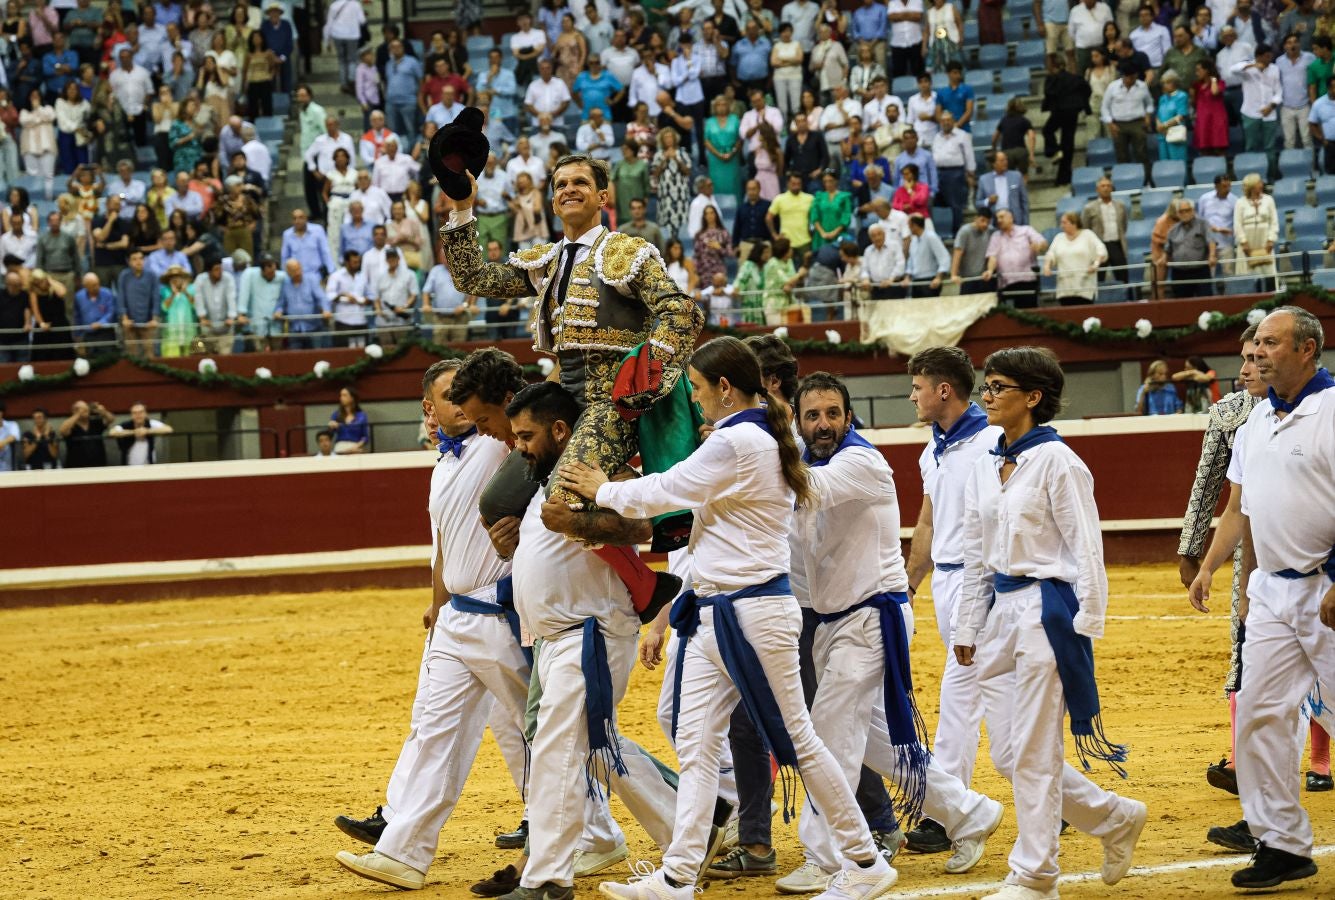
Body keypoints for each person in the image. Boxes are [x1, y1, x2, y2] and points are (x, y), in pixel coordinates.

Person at [569, 337, 901, 900]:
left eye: (698, 389)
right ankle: (677, 875)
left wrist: (602, 488)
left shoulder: (741, 440)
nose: (695, 400)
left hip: (752, 613)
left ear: (725, 388)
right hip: (718, 612)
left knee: (800, 738)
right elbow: (687, 506)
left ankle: (866, 861)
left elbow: (667, 489)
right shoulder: (749, 437)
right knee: (698, 745)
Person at [439, 149, 701, 619]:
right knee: (496, 502)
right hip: (562, 399)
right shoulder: (548, 262)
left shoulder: (628, 254)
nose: (568, 190)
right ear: (553, 201)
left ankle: (650, 534)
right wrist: (463, 206)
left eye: (580, 182)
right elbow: (471, 276)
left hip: (609, 402)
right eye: (560, 185)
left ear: (603, 195)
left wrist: (648, 376)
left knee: (561, 503)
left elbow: (681, 311)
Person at [333, 360, 535, 894]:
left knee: (544, 731)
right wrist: (438, 607)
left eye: (468, 397)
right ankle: (403, 850)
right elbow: (444, 547)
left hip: (499, 613)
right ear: (430, 407)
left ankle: (632, 821)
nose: (463, 406)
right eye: (451, 397)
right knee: (436, 730)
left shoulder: (497, 442)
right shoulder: (445, 462)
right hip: (458, 617)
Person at [954, 347, 1146, 900]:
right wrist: (969, 625)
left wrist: (1089, 622)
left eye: (997, 387)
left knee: (1035, 751)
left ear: (1032, 397)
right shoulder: (986, 462)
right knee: (1010, 754)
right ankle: (1113, 817)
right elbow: (975, 551)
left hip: (1046, 610)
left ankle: (1036, 877)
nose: (986, 397)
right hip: (1000, 615)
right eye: (985, 387)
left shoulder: (1060, 462)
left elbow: (1088, 548)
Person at [1188, 307, 1335, 892]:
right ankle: (1282, 843)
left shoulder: (1333, 412)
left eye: (1272, 343)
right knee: (1259, 716)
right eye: (1257, 345)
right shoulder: (1252, 424)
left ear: (1306, 349)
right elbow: (1238, 509)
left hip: (1325, 584)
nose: (1260, 353)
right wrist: (1210, 568)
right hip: (1271, 588)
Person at [900, 347, 1004, 852]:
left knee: (960, 695)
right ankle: (1060, 798)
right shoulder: (932, 450)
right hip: (947, 579)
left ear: (944, 390)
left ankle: (944, 811)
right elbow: (927, 521)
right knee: (1004, 694)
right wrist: (911, 582)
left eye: (919, 387)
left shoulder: (993, 441)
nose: (912, 396)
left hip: (981, 581)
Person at [1233, 44, 1282, 181]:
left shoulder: (1274, 69)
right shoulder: (1247, 68)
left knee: (1270, 148)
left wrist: (1271, 106)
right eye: (1267, 56)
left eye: (1270, 56)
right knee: (1251, 147)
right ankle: (1252, 179)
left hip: (1269, 113)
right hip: (1250, 113)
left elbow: (1278, 91)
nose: (1269, 59)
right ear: (1259, 57)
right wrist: (1253, 66)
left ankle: (1271, 178)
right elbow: (1233, 70)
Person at [983, 209, 1047, 309]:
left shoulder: (1026, 230)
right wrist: (990, 270)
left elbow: (1042, 242)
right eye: (997, 218)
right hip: (1006, 283)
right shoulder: (995, 236)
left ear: (1011, 218)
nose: (999, 220)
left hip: (1026, 281)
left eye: (1002, 217)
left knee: (1029, 314)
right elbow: (992, 257)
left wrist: (1038, 246)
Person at [1043, 212, 1108, 305]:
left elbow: (1101, 250)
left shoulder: (1088, 235)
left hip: (1085, 286)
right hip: (1065, 288)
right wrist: (1047, 266)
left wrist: (1095, 264)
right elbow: (1051, 254)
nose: (1061, 225)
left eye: (1064, 222)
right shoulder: (1059, 238)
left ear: (1074, 223)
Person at [1102, 61, 1155, 167]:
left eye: (1133, 77)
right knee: (1121, 154)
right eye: (1129, 78)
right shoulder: (1113, 87)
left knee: (1141, 153)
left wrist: (1148, 116)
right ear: (1123, 76)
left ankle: (1146, 179)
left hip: (1137, 122)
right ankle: (1124, 180)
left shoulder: (1142, 86)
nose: (1131, 80)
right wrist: (1110, 123)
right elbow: (1105, 107)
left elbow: (1150, 104)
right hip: (1118, 124)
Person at [1233, 172, 1278, 292]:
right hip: (1247, 242)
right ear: (1252, 186)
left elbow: (1274, 222)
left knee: (1268, 273)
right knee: (1248, 273)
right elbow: (1237, 224)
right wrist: (1243, 242)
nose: (1262, 184)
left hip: (1264, 240)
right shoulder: (1240, 202)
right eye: (1259, 182)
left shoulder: (1269, 200)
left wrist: (1271, 239)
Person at [1164, 200, 1217, 299]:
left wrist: (1212, 256)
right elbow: (1167, 250)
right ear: (1177, 214)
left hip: (1200, 271)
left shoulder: (1203, 224)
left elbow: (1211, 241)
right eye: (1181, 211)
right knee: (1181, 304)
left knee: (1205, 301)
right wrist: (1163, 260)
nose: (1184, 214)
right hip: (1179, 273)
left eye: (1187, 210)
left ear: (1193, 210)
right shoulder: (1173, 230)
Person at [275, 259, 331, 350]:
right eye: (294, 271)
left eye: (298, 269)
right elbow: (281, 302)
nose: (297, 273)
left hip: (313, 327)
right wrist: (278, 311)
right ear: (288, 272)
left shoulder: (311, 280)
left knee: (315, 356)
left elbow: (321, 297)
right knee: (295, 358)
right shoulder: (285, 284)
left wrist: (326, 310)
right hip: (294, 329)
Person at [1081, 177, 1128, 286]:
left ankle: (1128, 299)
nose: (1106, 188)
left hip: (1117, 245)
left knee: (1123, 276)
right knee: (1098, 278)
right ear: (1097, 189)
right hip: (1098, 247)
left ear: (1112, 188)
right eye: (1103, 186)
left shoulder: (1120, 206)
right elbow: (1085, 228)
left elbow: (1124, 225)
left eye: (1108, 186)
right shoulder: (1089, 208)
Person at [1277, 33, 1315, 155]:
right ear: (1284, 46)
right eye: (1289, 42)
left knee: (1307, 140)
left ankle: (1311, 168)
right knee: (1289, 142)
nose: (1293, 44)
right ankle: (1291, 170)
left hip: (1304, 105)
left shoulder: (1310, 57)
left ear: (1299, 43)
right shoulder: (1279, 61)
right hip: (1286, 106)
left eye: (1295, 41)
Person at [901, 213, 949, 298]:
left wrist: (938, 278)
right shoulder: (914, 240)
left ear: (914, 226)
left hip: (930, 280)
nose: (908, 227)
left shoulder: (931, 237)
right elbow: (910, 261)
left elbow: (944, 257)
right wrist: (907, 277)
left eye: (909, 225)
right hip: (916, 281)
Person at [109, 403, 173, 466]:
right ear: (131, 415)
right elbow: (112, 432)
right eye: (135, 413)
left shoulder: (151, 424)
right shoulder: (126, 425)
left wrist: (147, 431)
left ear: (146, 413)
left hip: (149, 466)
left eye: (141, 412)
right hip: (129, 466)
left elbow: (169, 429)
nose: (138, 415)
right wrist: (134, 432)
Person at [975, 153, 1029, 227]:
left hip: (1015, 220)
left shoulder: (1016, 176)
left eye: (1006, 159)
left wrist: (1026, 224)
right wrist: (988, 201)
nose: (1005, 162)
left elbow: (1024, 202)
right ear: (994, 164)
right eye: (1002, 160)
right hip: (994, 221)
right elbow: (978, 203)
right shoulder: (983, 179)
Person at [58, 399, 113, 467]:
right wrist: (77, 415)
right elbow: (62, 431)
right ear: (74, 411)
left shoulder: (95, 422)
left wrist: (104, 412)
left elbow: (110, 419)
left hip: (98, 464)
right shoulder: (71, 425)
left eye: (86, 409)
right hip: (76, 465)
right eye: (81, 409)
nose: (85, 411)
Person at [951, 210, 994, 294]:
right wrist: (953, 274)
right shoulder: (965, 231)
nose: (985, 224)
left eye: (988, 222)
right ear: (976, 218)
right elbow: (958, 252)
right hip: (968, 278)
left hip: (983, 277)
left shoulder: (990, 230)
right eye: (982, 220)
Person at [1192, 60, 1230, 156]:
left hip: (1217, 120)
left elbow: (1214, 92)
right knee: (1204, 149)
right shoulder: (1197, 85)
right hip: (1203, 121)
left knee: (1219, 149)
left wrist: (1213, 79)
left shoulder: (1220, 83)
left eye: (1199, 70)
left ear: (1207, 70)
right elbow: (1193, 101)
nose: (1197, 73)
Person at [1155, 70, 1191, 160]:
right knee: (1164, 163)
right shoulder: (1162, 98)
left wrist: (1164, 125)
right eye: (1163, 83)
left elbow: (1181, 116)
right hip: (1162, 134)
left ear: (1175, 83)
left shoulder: (1182, 96)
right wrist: (1159, 125)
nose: (1165, 85)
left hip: (1175, 134)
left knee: (1177, 162)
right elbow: (1158, 115)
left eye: (1168, 82)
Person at [327, 386, 370, 454]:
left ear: (352, 398)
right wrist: (331, 427)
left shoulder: (361, 416)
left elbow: (365, 437)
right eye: (341, 395)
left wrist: (356, 446)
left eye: (344, 395)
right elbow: (329, 435)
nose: (341, 398)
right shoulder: (336, 415)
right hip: (340, 447)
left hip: (355, 447)